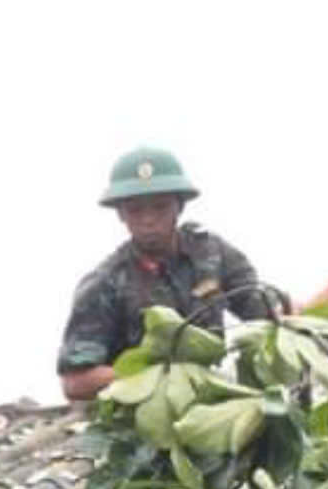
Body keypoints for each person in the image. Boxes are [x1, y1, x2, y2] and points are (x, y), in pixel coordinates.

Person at [57, 146, 285, 401]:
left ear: (179, 207)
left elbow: (267, 313)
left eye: (160, 207)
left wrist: (291, 316)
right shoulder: (104, 284)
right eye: (135, 210)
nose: (148, 220)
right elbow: (76, 381)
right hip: (139, 412)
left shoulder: (211, 253)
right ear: (121, 214)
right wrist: (149, 374)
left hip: (214, 399)